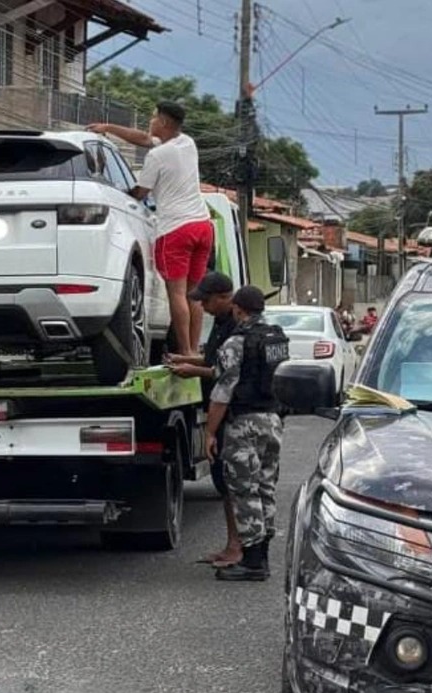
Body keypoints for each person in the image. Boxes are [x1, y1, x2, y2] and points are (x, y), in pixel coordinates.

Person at [87, 101, 213, 357]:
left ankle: (185, 351)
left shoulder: (157, 156)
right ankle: (194, 350)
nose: (150, 122)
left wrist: (115, 193)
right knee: (194, 293)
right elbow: (144, 139)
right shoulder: (187, 143)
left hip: (175, 229)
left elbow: (140, 193)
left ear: (164, 123)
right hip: (202, 225)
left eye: (154, 118)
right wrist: (108, 127)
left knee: (176, 293)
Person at [205, 285, 288, 582]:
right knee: (266, 487)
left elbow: (223, 390)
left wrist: (210, 432)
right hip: (273, 421)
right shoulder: (276, 337)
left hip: (244, 423)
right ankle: (261, 557)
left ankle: (252, 562)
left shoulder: (236, 342)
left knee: (244, 489)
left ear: (238, 309)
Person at [166, 272, 241, 567]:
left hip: (234, 416)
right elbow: (214, 359)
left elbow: (227, 374)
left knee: (235, 486)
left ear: (225, 297)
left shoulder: (237, 327)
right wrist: (182, 359)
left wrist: (192, 371)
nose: (205, 308)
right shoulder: (223, 324)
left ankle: (240, 549)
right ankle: (232, 545)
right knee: (224, 484)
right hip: (223, 414)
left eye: (207, 302)